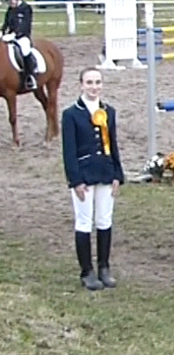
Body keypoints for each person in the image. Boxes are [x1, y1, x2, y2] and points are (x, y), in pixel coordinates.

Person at [62, 68, 124, 291]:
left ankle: (104, 267)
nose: (94, 87)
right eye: (89, 82)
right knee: (84, 221)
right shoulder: (71, 114)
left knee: (105, 220)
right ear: (81, 85)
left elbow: (113, 145)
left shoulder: (109, 112)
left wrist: (117, 174)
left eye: (97, 82)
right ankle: (87, 271)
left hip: (105, 171)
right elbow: (69, 151)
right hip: (84, 175)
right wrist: (75, 180)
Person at [2, 0, 38, 90]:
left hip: (23, 37)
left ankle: (30, 76)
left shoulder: (26, 8)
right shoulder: (10, 10)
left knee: (25, 50)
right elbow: (6, 24)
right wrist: (2, 32)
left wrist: (14, 35)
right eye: (8, 2)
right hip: (11, 37)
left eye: (11, 1)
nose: (10, 3)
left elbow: (25, 25)